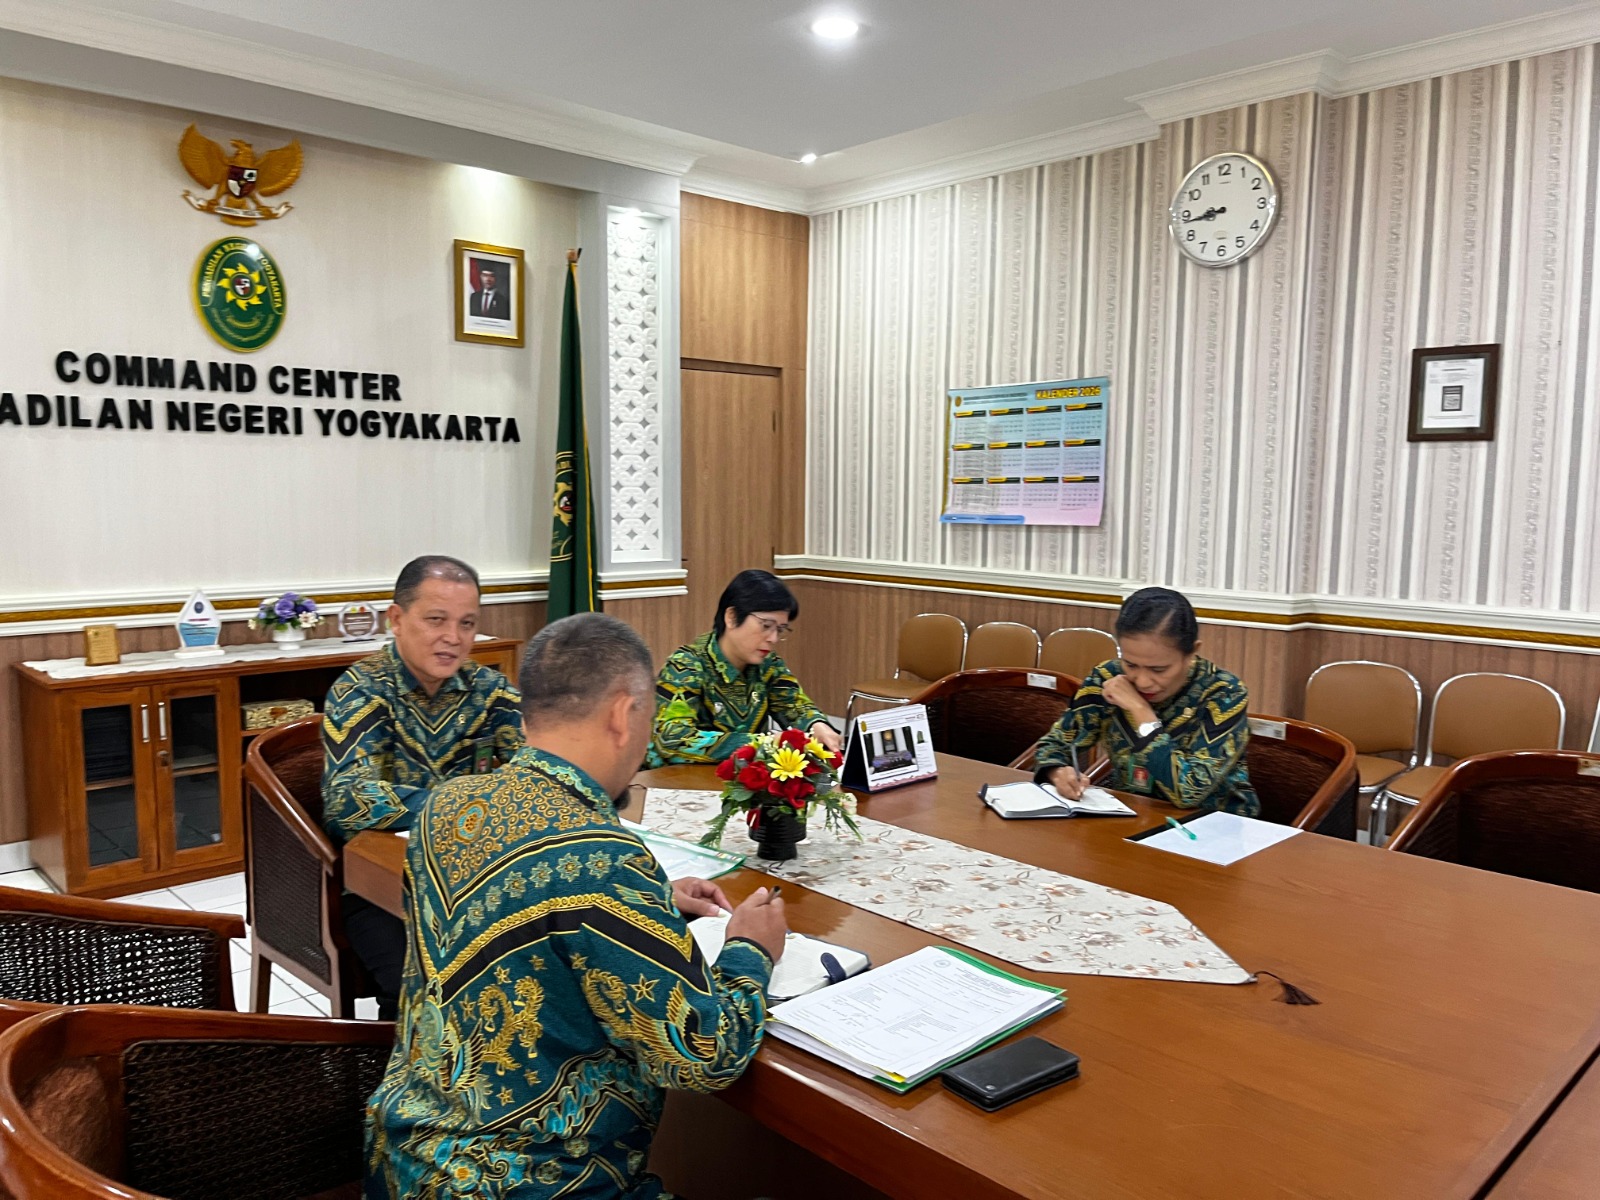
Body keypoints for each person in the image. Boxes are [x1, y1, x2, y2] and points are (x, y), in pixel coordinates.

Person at [364, 613, 787, 1199]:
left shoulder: (444, 807)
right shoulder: (603, 857)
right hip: (535, 1184)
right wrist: (750, 950)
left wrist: (653, 905)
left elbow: (515, 917)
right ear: (623, 712)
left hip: (403, 1163)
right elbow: (703, 1055)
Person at [322, 555, 524, 1018]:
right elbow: (346, 802)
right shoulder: (361, 690)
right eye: (436, 620)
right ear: (397, 618)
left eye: (467, 623)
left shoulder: (491, 691)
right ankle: (397, 1084)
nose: (453, 638)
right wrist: (467, 801)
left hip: (474, 875)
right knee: (420, 988)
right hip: (382, 886)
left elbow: (535, 771)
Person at [1033, 586, 1258, 816]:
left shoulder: (1223, 693)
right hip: (1130, 816)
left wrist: (1141, 712)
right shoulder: (1108, 678)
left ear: (1191, 653)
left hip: (1214, 828)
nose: (1142, 682)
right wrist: (1056, 771)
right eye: (1130, 664)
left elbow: (1189, 791)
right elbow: (1055, 744)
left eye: (1158, 669)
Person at [647, 569, 842, 767]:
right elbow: (672, 740)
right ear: (731, 617)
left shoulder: (769, 665)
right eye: (766, 626)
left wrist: (816, 725)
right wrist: (760, 744)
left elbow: (794, 705)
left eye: (780, 630)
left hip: (738, 784)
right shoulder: (686, 666)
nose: (773, 638)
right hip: (677, 783)